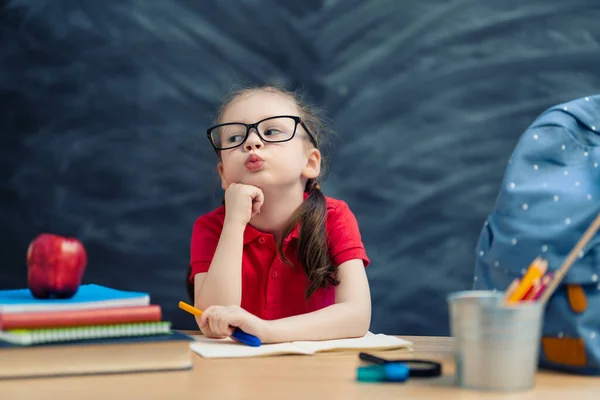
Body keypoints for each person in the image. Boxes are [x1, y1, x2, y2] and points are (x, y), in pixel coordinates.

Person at [188, 85, 371, 344]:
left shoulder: (334, 217)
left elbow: (357, 315)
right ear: (223, 174)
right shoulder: (211, 228)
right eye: (234, 138)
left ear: (310, 163)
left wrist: (266, 331)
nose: (252, 142)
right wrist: (234, 223)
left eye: (272, 131)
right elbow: (213, 321)